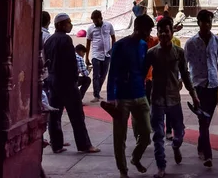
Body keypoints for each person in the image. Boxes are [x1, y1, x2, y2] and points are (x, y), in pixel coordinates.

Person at [145, 17, 198, 178]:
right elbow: (141, 74)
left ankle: (176, 146)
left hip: (174, 98)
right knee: (158, 134)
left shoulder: (179, 53)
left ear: (172, 32)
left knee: (179, 132)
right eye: (160, 31)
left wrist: (193, 95)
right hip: (157, 99)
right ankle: (161, 166)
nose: (163, 34)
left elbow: (186, 75)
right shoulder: (152, 53)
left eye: (166, 31)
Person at [104, 14, 155, 178]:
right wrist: (111, 96)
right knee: (120, 137)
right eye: (147, 31)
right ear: (137, 29)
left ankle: (135, 157)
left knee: (147, 134)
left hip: (140, 94)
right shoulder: (120, 45)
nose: (148, 34)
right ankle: (123, 170)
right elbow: (112, 72)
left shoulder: (143, 45)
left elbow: (142, 69)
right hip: (122, 97)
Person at [43, 13, 100, 154]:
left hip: (52, 81)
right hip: (67, 83)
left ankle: (56, 145)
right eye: (68, 22)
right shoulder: (66, 40)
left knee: (55, 114)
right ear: (61, 25)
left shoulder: (49, 41)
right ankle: (84, 145)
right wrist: (74, 79)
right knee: (77, 116)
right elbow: (70, 62)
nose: (70, 24)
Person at [184, 9, 218, 168]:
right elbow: (183, 66)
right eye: (204, 22)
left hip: (213, 85)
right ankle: (208, 155)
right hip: (198, 86)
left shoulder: (217, 41)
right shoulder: (191, 43)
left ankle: (200, 145)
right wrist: (181, 83)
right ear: (199, 23)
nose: (207, 25)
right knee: (203, 120)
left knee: (206, 120)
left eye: (209, 22)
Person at [86, 9, 116, 102]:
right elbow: (88, 42)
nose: (95, 22)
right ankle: (96, 95)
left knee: (103, 75)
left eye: (96, 20)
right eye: (93, 21)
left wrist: (113, 49)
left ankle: (98, 91)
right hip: (96, 55)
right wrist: (86, 57)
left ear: (101, 18)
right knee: (96, 75)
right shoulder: (91, 28)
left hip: (107, 54)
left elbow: (113, 37)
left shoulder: (109, 25)